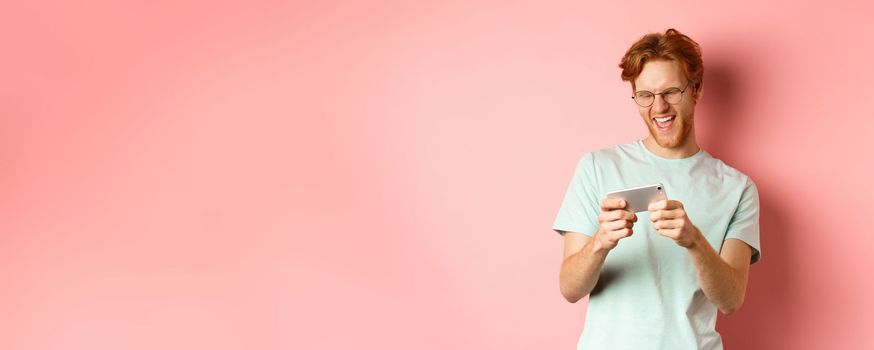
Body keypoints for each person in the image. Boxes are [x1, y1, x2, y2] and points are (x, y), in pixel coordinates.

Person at [552, 28, 760, 350]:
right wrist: (600, 243)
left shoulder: (737, 188)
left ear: (696, 90)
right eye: (645, 95)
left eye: (671, 92)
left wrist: (694, 241)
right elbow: (570, 288)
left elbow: (731, 300)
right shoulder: (597, 167)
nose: (658, 107)